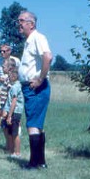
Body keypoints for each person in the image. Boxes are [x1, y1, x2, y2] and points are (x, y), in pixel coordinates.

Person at [17, 11, 53, 169]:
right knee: (37, 124)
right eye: (18, 21)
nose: (19, 23)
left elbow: (48, 57)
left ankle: (33, 163)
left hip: (36, 88)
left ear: (31, 24)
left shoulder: (38, 38)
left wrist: (40, 79)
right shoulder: (29, 41)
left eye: (22, 21)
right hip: (30, 87)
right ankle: (41, 162)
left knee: (32, 124)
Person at [0, 44, 20, 136]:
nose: (2, 53)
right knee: (0, 110)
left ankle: (17, 130)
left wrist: (10, 79)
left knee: (14, 110)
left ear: (9, 51)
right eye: (0, 51)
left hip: (11, 87)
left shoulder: (15, 60)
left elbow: (18, 73)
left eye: (4, 51)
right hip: (1, 87)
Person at [1, 58, 24, 158]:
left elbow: (14, 102)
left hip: (15, 113)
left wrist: (9, 115)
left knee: (15, 134)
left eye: (9, 76)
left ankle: (17, 153)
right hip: (11, 112)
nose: (8, 77)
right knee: (10, 132)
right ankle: (11, 151)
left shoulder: (15, 87)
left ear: (14, 76)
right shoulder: (14, 86)